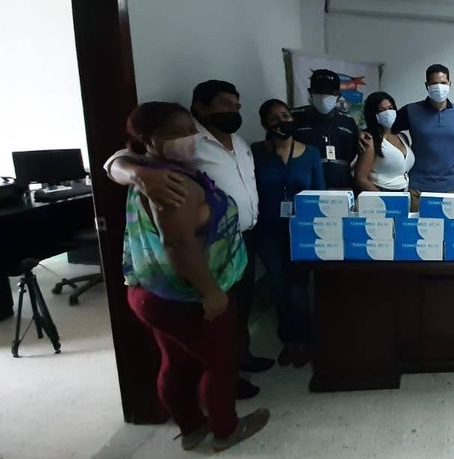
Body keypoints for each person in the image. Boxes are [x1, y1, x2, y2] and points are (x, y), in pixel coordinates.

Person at [104, 79, 272, 399]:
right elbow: (117, 160)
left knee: (240, 308)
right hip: (203, 252)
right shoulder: (180, 151)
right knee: (214, 332)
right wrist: (138, 174)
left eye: (237, 105)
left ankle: (243, 357)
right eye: (225, 104)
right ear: (201, 108)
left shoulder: (241, 143)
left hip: (242, 240)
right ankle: (228, 381)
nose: (234, 110)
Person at [251, 100, 325, 367]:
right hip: (268, 230)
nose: (282, 121)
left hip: (301, 230)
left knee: (298, 286)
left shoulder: (311, 153)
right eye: (275, 118)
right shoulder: (256, 152)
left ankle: (304, 340)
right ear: (265, 124)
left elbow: (319, 191)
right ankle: (288, 339)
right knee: (278, 285)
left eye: (286, 115)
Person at [393, 64, 454, 207]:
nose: (439, 87)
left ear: (450, 84)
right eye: (434, 83)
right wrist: (365, 135)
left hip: (450, 188)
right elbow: (387, 130)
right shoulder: (411, 111)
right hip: (417, 188)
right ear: (427, 85)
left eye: (443, 83)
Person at [290, 69, 360, 190]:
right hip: (304, 189)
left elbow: (354, 153)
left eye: (330, 92)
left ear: (338, 95)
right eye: (319, 91)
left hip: (340, 188)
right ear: (310, 92)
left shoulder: (348, 122)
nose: (324, 96)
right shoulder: (294, 118)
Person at [356, 92, 415, 192]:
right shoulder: (370, 139)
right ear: (374, 114)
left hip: (403, 193)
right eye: (382, 110)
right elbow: (361, 179)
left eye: (390, 108)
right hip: (380, 192)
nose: (388, 112)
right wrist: (382, 198)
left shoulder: (402, 137)